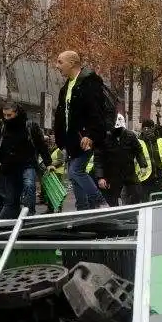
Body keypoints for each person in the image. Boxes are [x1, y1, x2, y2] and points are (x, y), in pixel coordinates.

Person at [53, 50, 109, 210]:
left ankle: (99, 202)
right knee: (74, 174)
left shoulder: (89, 83)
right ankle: (82, 208)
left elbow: (96, 112)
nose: (57, 66)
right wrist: (60, 139)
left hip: (84, 138)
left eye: (60, 62)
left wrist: (91, 135)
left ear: (72, 63)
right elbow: (62, 115)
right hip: (71, 140)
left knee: (75, 171)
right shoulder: (66, 87)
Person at [0, 101, 51, 219]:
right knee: (11, 198)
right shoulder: (2, 126)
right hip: (9, 167)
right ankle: (10, 221)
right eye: (4, 115)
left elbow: (41, 145)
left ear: (16, 113)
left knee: (29, 186)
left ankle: (29, 214)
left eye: (9, 115)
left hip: (27, 164)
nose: (6, 118)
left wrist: (48, 163)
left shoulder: (29, 125)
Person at [93, 114, 148, 206]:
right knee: (112, 201)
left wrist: (143, 165)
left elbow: (138, 151)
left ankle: (132, 214)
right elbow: (98, 159)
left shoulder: (130, 136)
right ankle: (115, 217)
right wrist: (100, 177)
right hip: (111, 174)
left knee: (136, 195)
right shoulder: (104, 138)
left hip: (129, 172)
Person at [139, 119, 162, 200]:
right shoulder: (138, 142)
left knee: (161, 204)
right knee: (146, 204)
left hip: (161, 178)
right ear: (142, 129)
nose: (147, 130)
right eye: (145, 128)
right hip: (146, 179)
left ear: (153, 128)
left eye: (150, 128)